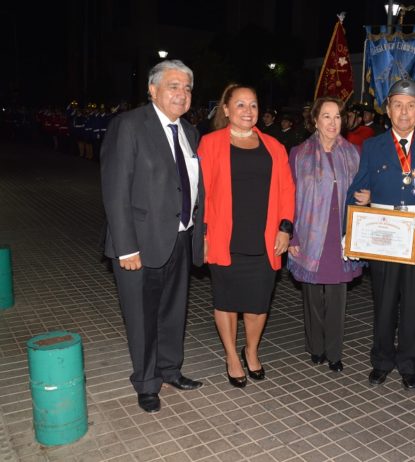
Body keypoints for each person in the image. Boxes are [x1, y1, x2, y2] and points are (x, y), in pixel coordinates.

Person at [100, 59, 205, 413]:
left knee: (173, 311)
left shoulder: (189, 132)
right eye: (174, 86)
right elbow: (115, 190)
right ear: (153, 89)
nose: (182, 94)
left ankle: (170, 369)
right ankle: (146, 382)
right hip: (139, 244)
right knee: (142, 316)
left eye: (187, 88)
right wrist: (126, 246)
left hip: (180, 238)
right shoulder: (129, 126)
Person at [347, 79, 415, 390]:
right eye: (397, 105)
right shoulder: (373, 145)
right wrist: (357, 204)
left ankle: (408, 363)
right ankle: (381, 360)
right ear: (388, 109)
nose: (403, 112)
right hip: (383, 236)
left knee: (414, 305)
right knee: (384, 302)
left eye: (410, 106)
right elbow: (357, 187)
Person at [198, 84, 295, 389]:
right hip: (224, 236)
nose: (247, 111)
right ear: (225, 109)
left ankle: (251, 350)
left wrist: (285, 227)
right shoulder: (210, 143)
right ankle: (231, 356)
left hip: (264, 238)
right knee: (226, 300)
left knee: (258, 302)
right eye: (240, 105)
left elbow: (287, 190)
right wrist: (201, 233)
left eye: (253, 105)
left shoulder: (274, 147)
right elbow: (199, 193)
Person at [287, 96, 364, 372]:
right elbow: (289, 197)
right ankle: (315, 347)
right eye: (327, 116)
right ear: (316, 121)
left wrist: (366, 198)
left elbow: (362, 192)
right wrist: (290, 235)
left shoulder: (354, 153)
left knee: (337, 296)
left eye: (338, 117)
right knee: (312, 296)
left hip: (340, 234)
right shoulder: (299, 153)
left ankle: (334, 351)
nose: (333, 122)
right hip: (308, 233)